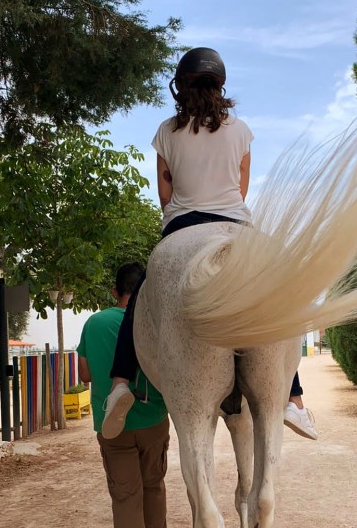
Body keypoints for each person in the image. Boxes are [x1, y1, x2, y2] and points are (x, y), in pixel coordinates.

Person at [101, 47, 318, 442]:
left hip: (183, 224)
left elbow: (165, 193)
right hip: (236, 224)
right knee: (273, 308)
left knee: (143, 298)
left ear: (179, 86)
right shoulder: (241, 130)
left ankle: (120, 382)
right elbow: (242, 186)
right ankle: (293, 398)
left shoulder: (167, 131)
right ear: (221, 87)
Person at [78, 263, 170, 528]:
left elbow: (85, 375)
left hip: (112, 427)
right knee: (153, 485)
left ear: (115, 292)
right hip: (153, 419)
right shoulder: (154, 324)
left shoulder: (95, 323)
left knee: (125, 498)